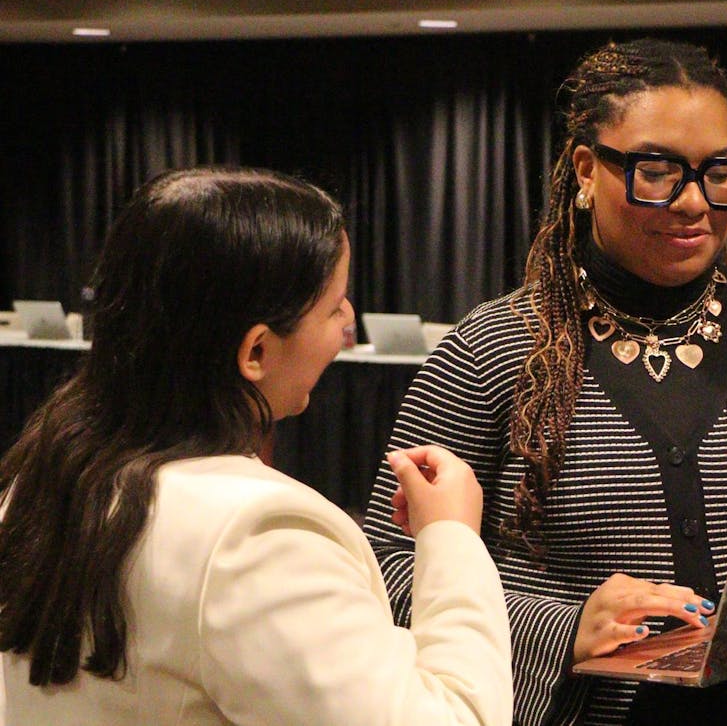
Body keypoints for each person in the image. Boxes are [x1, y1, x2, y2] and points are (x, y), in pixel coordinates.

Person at [363, 38, 727, 726]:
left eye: (721, 172)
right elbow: (390, 569)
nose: (694, 203)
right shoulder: (491, 350)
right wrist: (568, 627)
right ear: (586, 170)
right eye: (658, 171)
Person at [0, 167, 512, 725]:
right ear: (257, 353)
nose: (346, 323)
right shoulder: (259, 536)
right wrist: (453, 539)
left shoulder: (39, 479)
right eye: (333, 306)